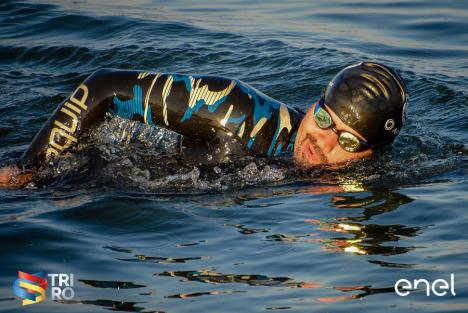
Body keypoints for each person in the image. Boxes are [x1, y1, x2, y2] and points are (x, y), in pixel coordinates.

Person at [0, 62, 408, 188]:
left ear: (372, 154)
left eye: (348, 142)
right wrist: (26, 170)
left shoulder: (368, 182)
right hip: (89, 180)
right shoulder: (238, 112)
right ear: (312, 104)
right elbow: (104, 87)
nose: (321, 142)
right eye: (322, 118)